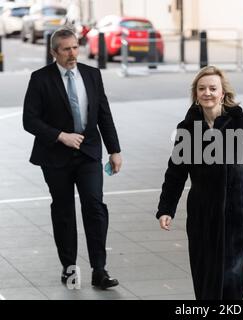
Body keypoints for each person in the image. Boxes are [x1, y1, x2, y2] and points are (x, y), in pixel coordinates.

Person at [156, 66, 243, 300]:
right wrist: (166, 208)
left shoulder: (241, 121)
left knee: (233, 275)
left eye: (213, 88)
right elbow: (176, 172)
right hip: (203, 212)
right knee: (205, 273)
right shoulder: (187, 128)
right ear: (196, 94)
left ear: (223, 93)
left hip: (240, 210)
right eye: (202, 89)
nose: (207, 93)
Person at [23, 27, 122, 290]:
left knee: (94, 206)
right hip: (55, 156)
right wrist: (59, 136)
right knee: (64, 210)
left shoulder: (92, 74)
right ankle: (69, 269)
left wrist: (115, 150)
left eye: (75, 47)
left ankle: (99, 270)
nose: (72, 54)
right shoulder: (40, 79)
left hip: (89, 152)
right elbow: (29, 120)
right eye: (66, 49)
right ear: (54, 52)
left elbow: (103, 114)